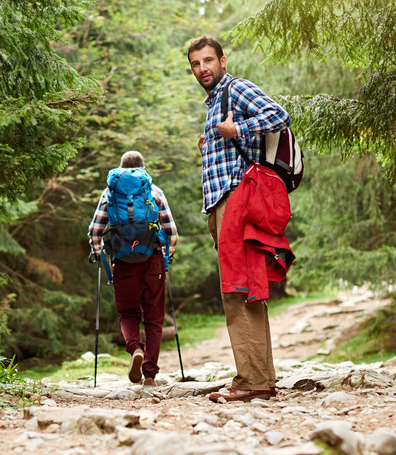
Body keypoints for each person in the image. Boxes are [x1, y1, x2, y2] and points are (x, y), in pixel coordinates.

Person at [187, 35, 291, 402]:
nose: (203, 68)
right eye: (196, 64)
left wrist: (237, 130)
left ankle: (251, 381)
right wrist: (213, 143)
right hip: (222, 202)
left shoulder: (237, 89)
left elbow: (279, 115)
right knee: (246, 288)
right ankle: (261, 377)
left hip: (237, 199)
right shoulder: (214, 102)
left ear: (223, 61)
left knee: (236, 290)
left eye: (208, 61)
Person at [88, 151, 177, 386]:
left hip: (123, 263)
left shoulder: (110, 192)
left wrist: (98, 254)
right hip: (153, 261)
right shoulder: (154, 191)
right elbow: (172, 233)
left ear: (119, 168)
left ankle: (136, 348)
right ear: (143, 168)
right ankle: (149, 374)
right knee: (154, 319)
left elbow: (95, 231)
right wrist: (167, 256)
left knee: (128, 314)